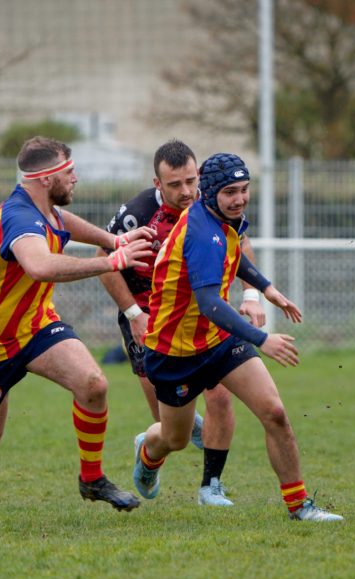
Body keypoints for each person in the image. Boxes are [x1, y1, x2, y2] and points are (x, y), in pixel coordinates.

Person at [0, 136, 156, 526]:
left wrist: (114, 239)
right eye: (68, 171)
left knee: (93, 385)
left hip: (34, 324)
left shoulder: (42, 207)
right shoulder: (20, 217)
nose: (75, 177)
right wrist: (113, 260)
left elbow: (62, 223)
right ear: (45, 178)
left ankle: (91, 480)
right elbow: (39, 266)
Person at [131, 152, 343, 522]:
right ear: (211, 193)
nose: (240, 198)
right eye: (231, 191)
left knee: (274, 412)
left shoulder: (225, 219)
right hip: (174, 352)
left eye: (244, 190)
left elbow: (236, 257)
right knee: (175, 439)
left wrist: (266, 288)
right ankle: (148, 452)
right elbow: (211, 303)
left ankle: (299, 506)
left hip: (218, 340)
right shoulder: (200, 231)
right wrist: (263, 339)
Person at [98, 139, 265, 507]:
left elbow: (242, 246)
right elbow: (104, 261)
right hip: (148, 319)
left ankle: (211, 487)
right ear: (158, 184)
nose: (186, 191)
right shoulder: (137, 213)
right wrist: (134, 314)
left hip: (204, 316)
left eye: (191, 181)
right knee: (172, 429)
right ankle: (150, 452)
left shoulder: (211, 202)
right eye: (175, 185)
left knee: (221, 397)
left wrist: (252, 297)